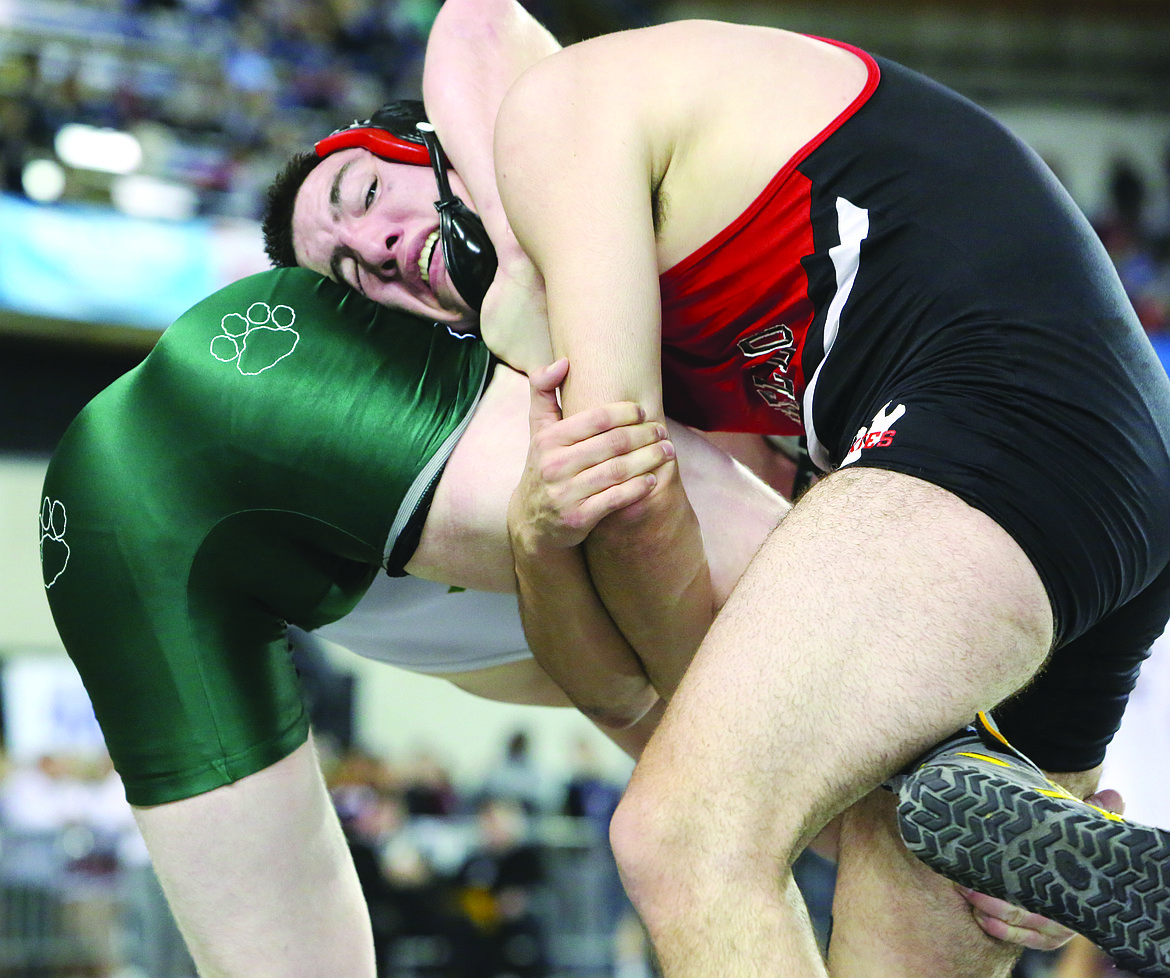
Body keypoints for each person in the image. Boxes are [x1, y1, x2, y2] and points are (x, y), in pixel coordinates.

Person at [266, 1, 1170, 975]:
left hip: (1007, 409)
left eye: (362, 196)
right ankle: (994, 807)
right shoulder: (650, 312)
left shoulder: (555, 115)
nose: (381, 252)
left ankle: (956, 788)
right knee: (908, 883)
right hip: (1079, 490)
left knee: (680, 839)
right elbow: (723, 619)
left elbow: (631, 514)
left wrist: (524, 315)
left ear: (423, 139)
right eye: (351, 274)